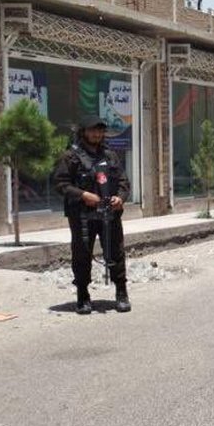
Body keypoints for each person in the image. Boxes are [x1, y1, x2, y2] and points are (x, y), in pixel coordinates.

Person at [52, 115, 131, 315]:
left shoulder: (110, 155)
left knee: (116, 252)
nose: (97, 134)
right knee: (81, 254)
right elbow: (61, 184)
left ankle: (121, 293)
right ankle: (83, 296)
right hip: (82, 216)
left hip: (109, 213)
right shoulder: (71, 156)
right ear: (84, 132)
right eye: (93, 130)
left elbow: (123, 182)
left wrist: (120, 198)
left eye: (100, 130)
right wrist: (83, 195)